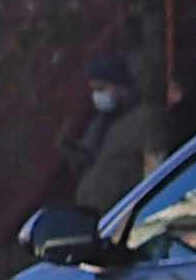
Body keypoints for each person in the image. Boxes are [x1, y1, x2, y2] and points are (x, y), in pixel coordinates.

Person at [61, 52, 162, 220]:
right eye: (93, 90)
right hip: (99, 217)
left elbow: (155, 169)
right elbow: (92, 163)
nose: (97, 95)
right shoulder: (99, 124)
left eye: (101, 88)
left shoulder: (144, 120)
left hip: (127, 217)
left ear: (121, 85)